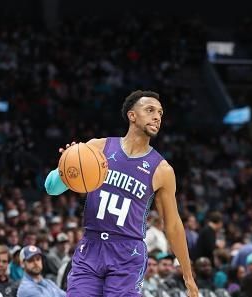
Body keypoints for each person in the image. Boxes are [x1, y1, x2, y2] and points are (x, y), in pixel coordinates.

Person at [45, 90, 198, 297]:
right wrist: (66, 167)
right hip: (91, 244)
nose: (157, 117)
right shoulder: (96, 148)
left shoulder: (162, 170)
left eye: (160, 113)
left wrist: (188, 276)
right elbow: (51, 189)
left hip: (128, 252)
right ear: (132, 116)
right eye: (150, 110)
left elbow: (172, 224)